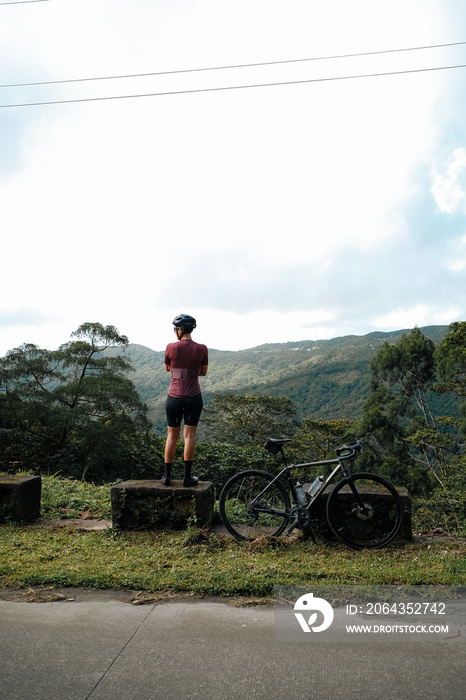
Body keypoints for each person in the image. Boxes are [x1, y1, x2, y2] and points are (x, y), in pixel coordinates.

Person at [162, 314, 208, 487]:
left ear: (180, 330)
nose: (175, 332)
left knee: (171, 436)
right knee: (189, 436)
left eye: (175, 329)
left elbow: (168, 368)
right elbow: (203, 372)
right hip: (193, 396)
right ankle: (187, 478)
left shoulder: (170, 347)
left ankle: (167, 477)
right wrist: (190, 372)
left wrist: (180, 372)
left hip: (174, 397)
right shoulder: (202, 348)